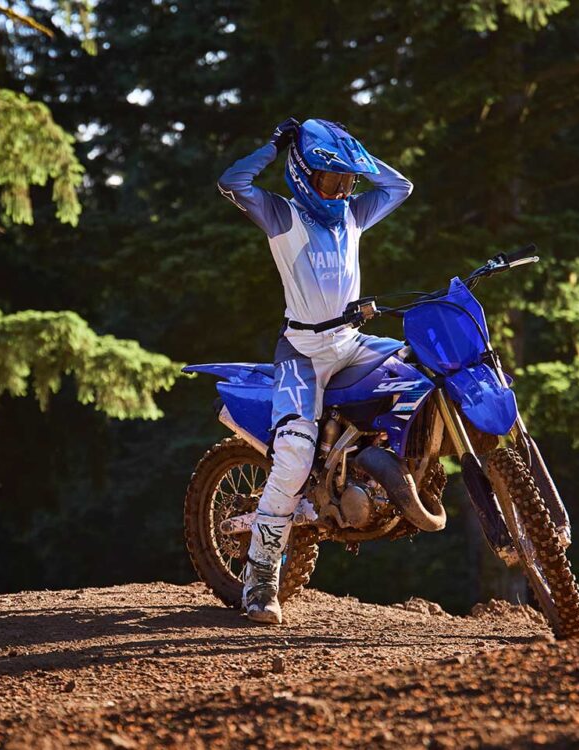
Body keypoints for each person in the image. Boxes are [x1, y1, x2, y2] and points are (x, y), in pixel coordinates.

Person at [217, 118, 412, 624]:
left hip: (351, 342)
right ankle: (260, 577)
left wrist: (356, 154)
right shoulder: (282, 215)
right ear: (303, 175)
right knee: (295, 455)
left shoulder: (352, 214)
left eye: (349, 182)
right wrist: (274, 146)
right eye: (333, 181)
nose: (343, 191)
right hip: (302, 352)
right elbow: (232, 183)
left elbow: (399, 186)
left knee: (420, 374)